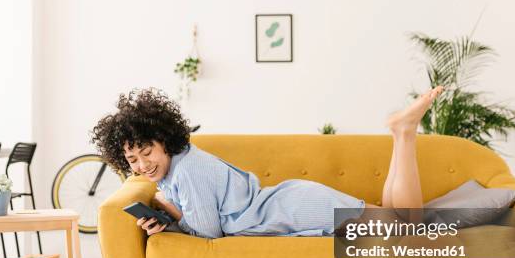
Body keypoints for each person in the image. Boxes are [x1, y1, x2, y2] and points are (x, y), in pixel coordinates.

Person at [90, 86, 443, 238]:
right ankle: (400, 133)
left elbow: (209, 231)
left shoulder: (187, 172)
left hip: (294, 209)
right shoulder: (179, 164)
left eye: (146, 151)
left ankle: (406, 133)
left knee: (409, 227)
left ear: (163, 140)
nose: (140, 165)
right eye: (132, 159)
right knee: (396, 219)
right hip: (290, 203)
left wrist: (171, 222)